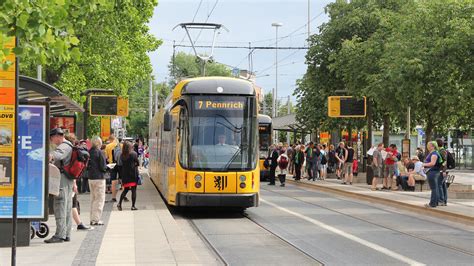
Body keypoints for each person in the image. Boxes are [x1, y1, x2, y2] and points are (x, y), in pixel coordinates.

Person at [45, 128, 75, 243]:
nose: (52, 141)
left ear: (57, 136)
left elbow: (57, 155)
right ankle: (66, 234)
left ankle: (60, 235)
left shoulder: (64, 146)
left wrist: (49, 156)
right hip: (67, 179)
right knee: (66, 207)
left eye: (52, 138)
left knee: (60, 206)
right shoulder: (69, 145)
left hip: (62, 180)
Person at [88, 137, 108, 225]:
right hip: (99, 178)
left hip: (90, 178)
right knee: (99, 199)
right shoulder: (100, 152)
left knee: (93, 198)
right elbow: (103, 167)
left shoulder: (89, 152)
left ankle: (92, 218)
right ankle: (95, 219)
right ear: (99, 143)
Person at [117, 141, 140, 211]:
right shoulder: (134, 154)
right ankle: (133, 206)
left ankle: (119, 203)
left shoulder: (121, 155)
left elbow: (120, 164)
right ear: (130, 147)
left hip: (125, 175)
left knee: (126, 190)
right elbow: (138, 163)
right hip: (133, 174)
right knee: (134, 190)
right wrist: (135, 165)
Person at [423, 141, 442, 208]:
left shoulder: (434, 154)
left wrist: (423, 164)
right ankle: (435, 202)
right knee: (435, 188)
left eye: (429, 145)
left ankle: (432, 203)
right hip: (433, 172)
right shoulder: (433, 153)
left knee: (433, 188)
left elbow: (432, 163)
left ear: (433, 146)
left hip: (432, 172)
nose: (428, 147)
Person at [436, 138, 448, 206]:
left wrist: (443, 170)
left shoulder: (442, 151)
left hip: (442, 171)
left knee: (439, 185)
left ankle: (441, 200)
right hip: (442, 171)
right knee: (443, 186)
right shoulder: (441, 151)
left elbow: (445, 161)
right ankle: (444, 201)